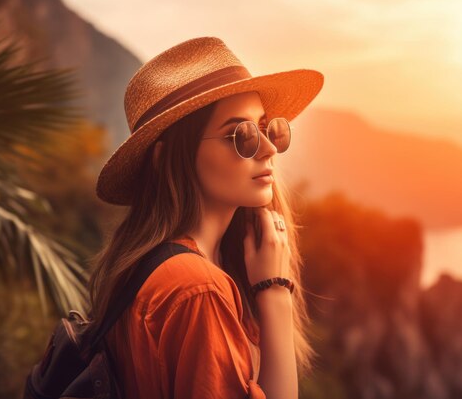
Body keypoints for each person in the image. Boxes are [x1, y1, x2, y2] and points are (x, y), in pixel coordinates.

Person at [88, 36, 324, 399]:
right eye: (240, 135)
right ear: (166, 158)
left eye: (265, 127)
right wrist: (275, 289)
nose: (269, 148)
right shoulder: (198, 288)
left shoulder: (155, 266)